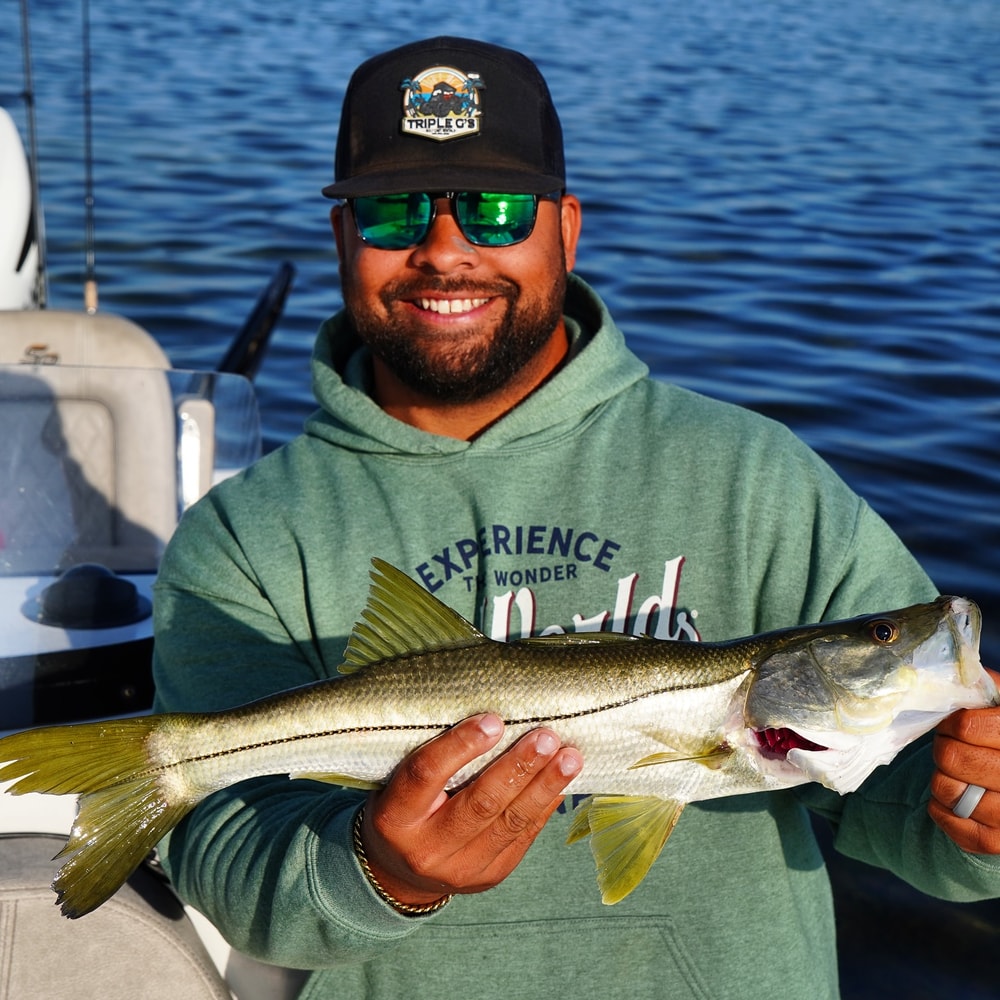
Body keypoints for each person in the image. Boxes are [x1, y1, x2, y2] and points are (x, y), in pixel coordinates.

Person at [152, 36, 1000, 999]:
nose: (443, 248)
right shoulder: (245, 536)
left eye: (496, 208)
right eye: (391, 212)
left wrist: (977, 813)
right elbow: (227, 865)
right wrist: (382, 873)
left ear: (568, 227)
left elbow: (912, 814)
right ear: (342, 238)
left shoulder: (757, 476)